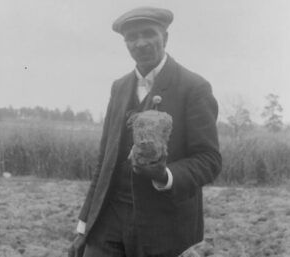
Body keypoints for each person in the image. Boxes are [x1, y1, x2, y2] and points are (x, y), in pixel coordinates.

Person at [69, 6, 221, 257]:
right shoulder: (119, 88)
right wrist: (83, 225)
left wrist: (165, 175)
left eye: (148, 33)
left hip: (165, 227)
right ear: (125, 42)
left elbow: (209, 160)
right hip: (109, 220)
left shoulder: (194, 87)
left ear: (165, 37)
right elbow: (104, 163)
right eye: (132, 37)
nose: (140, 43)